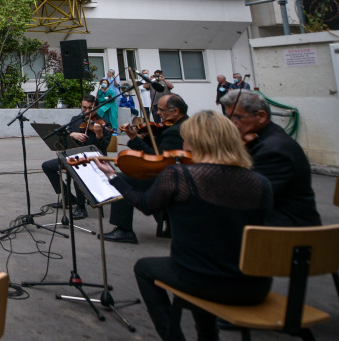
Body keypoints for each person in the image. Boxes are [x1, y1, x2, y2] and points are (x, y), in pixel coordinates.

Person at [95, 111, 273, 341]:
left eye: (186, 138)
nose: (183, 143)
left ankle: (173, 337)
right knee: (201, 266)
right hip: (254, 286)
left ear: (197, 141)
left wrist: (113, 177)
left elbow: (145, 205)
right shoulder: (261, 182)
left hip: (201, 280)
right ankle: (208, 336)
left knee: (145, 268)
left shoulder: (180, 176)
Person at [221, 89, 321, 227]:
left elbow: (246, 197)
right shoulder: (259, 139)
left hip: (289, 229)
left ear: (261, 116)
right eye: (228, 117)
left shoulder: (275, 151)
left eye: (237, 117)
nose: (231, 124)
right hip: (269, 218)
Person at [104, 93, 188, 244]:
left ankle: (124, 230)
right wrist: (146, 139)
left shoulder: (174, 132)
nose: (158, 113)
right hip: (180, 174)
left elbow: (155, 161)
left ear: (175, 111)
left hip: (171, 179)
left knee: (122, 178)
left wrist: (135, 139)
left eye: (161, 110)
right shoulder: (185, 124)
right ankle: (169, 225)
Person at [41, 95, 109, 220]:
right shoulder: (75, 119)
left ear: (97, 108)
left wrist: (99, 135)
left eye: (91, 108)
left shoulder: (103, 123)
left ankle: (81, 208)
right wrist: (73, 134)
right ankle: (68, 197)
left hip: (93, 160)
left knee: (77, 170)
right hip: (74, 157)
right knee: (47, 166)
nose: (87, 111)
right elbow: (66, 135)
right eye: (84, 107)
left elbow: (104, 148)